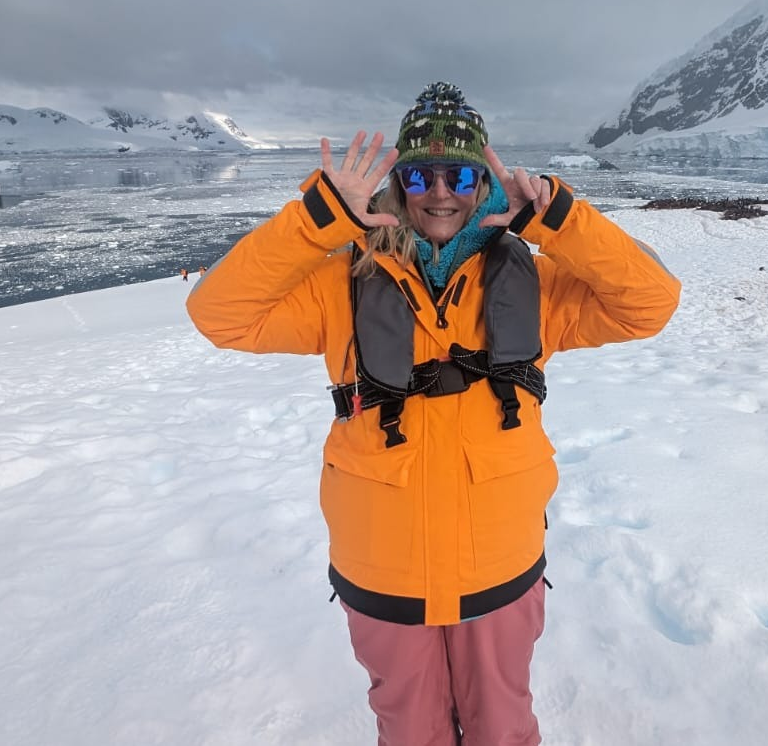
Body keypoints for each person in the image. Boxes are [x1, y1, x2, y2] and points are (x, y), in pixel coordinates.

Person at [186, 82, 681, 745]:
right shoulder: (345, 280)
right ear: (399, 182)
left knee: (501, 727)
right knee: (409, 731)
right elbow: (218, 314)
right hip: (383, 569)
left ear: (483, 184)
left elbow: (650, 304)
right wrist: (317, 219)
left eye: (460, 174)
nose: (440, 191)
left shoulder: (534, 286)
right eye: (420, 174)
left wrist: (560, 221)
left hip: (497, 565)